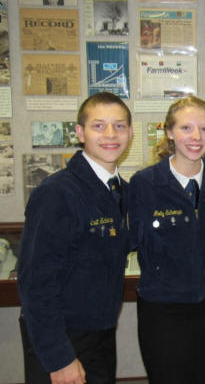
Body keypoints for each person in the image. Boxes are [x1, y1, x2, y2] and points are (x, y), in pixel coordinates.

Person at [17, 92, 133, 384]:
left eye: (119, 126)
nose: (110, 134)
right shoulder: (56, 193)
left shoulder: (120, 190)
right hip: (61, 337)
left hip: (101, 333)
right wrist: (60, 357)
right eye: (98, 126)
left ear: (130, 133)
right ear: (80, 133)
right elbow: (36, 283)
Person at [129, 97, 205, 384]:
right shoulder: (145, 183)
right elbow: (130, 240)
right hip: (161, 307)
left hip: (204, 303)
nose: (196, 137)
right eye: (186, 128)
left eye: (204, 129)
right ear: (169, 132)